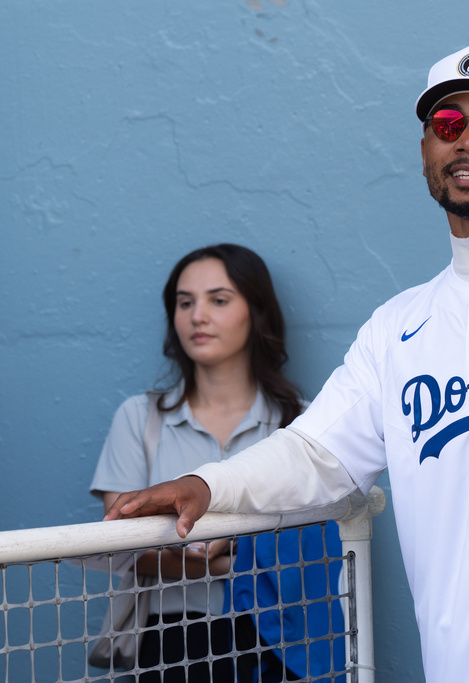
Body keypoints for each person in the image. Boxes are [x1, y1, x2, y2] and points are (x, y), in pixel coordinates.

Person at [103, 42, 469, 683]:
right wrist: (212, 485)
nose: (468, 140)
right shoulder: (398, 327)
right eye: (446, 125)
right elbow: (317, 454)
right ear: (425, 152)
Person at [90, 243, 317, 682]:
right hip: (171, 642)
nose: (198, 316)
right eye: (184, 302)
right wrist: (226, 560)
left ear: (256, 310)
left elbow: (313, 547)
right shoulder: (139, 418)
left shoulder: (302, 423)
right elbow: (125, 550)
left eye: (218, 299)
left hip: (281, 638)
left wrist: (206, 554)